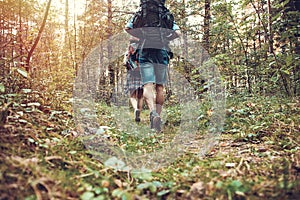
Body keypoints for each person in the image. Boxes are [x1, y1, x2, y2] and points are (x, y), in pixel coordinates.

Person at [125, 0, 181, 131]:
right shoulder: (165, 14)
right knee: (160, 87)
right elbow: (178, 33)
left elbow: (128, 28)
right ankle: (158, 118)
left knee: (147, 85)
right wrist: (166, 39)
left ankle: (153, 113)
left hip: (145, 50)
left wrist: (141, 37)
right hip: (161, 51)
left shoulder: (141, 13)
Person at [124, 40, 144, 122]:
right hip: (141, 76)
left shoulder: (128, 52)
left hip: (131, 75)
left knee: (132, 96)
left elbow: (124, 63)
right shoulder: (141, 51)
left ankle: (136, 109)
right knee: (140, 96)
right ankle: (138, 114)